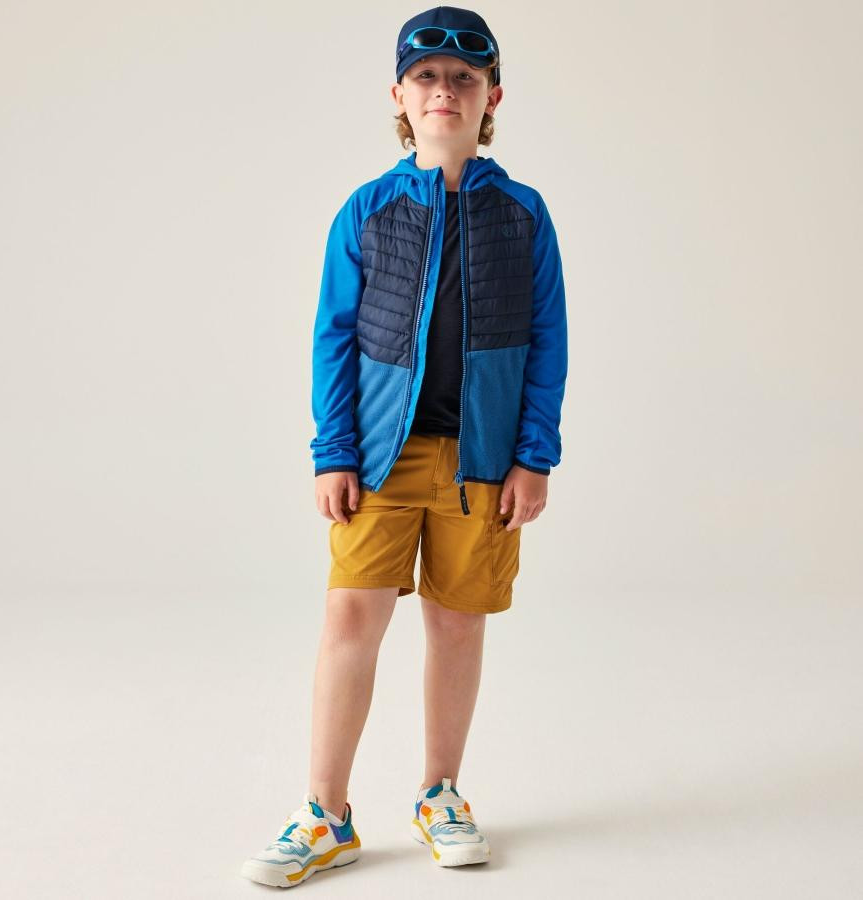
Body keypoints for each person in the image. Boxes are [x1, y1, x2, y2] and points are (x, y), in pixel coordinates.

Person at [242, 5, 568, 888]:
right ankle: (326, 813)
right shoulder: (368, 210)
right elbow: (332, 337)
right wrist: (333, 451)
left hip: (482, 462)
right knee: (351, 616)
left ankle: (439, 792)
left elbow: (548, 339)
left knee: (456, 623)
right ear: (399, 94)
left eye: (464, 78)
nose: (444, 91)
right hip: (381, 459)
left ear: (492, 97)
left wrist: (534, 455)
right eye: (426, 78)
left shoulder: (524, 216)